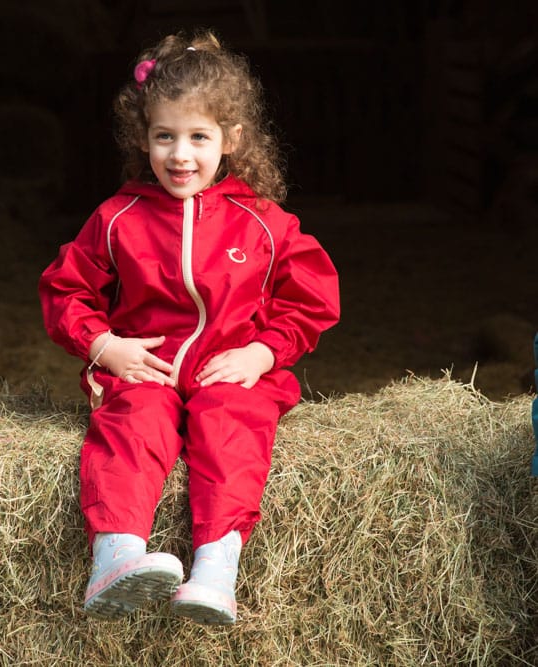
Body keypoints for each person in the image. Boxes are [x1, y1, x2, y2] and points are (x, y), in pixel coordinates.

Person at [38, 30, 340, 625]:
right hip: (145, 367)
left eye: (198, 137)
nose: (181, 155)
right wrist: (105, 346)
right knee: (132, 426)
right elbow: (65, 288)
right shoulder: (117, 217)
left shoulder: (263, 223)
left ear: (231, 140)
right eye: (164, 137)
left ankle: (214, 571)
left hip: (228, 369)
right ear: (143, 139)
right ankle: (116, 559)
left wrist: (261, 353)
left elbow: (311, 298)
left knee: (232, 431)